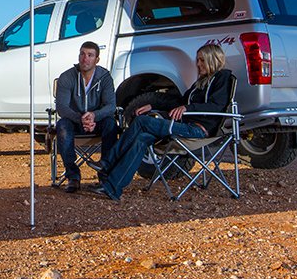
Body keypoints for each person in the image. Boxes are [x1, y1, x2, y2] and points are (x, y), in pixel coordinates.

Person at [88, 44, 233, 201]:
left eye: (202, 60)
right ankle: (112, 187)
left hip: (197, 130)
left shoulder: (222, 78)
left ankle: (108, 162)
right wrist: (154, 105)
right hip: (185, 126)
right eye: (197, 60)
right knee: (142, 138)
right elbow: (178, 102)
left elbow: (215, 106)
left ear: (213, 59)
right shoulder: (200, 83)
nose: (198, 64)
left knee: (142, 121)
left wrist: (187, 107)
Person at [54, 41, 117, 193]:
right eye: (82, 54)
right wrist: (80, 118)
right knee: (62, 125)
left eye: (90, 55)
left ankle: (105, 176)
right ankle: (73, 177)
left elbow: (110, 106)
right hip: (75, 121)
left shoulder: (105, 77)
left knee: (111, 123)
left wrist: (95, 116)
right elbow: (61, 107)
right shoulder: (67, 76)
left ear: (97, 59)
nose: (85, 59)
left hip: (98, 122)